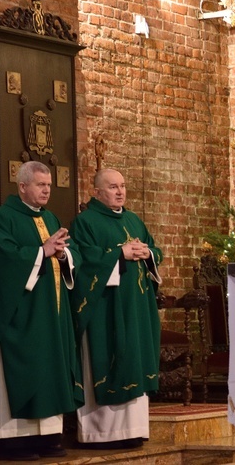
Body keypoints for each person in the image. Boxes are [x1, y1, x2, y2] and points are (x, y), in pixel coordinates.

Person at [0, 160, 80, 461]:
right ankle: (10, 442)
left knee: (48, 370)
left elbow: (66, 253)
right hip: (15, 316)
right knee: (16, 372)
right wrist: (42, 251)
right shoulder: (2, 219)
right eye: (41, 185)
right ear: (22, 186)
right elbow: (2, 261)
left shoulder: (52, 218)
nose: (46, 190)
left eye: (49, 185)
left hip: (49, 314)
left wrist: (64, 253)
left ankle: (47, 437)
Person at [70, 168, 163, 449]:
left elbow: (156, 250)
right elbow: (82, 263)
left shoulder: (134, 220)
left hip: (135, 307)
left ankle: (133, 430)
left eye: (122, 186)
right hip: (104, 310)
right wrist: (118, 254)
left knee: (133, 359)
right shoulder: (85, 223)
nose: (120, 191)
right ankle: (99, 433)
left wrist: (149, 254)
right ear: (97, 192)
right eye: (112, 187)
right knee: (109, 358)